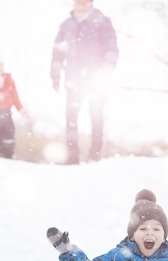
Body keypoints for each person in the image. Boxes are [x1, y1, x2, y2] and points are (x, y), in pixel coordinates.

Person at [50, 0, 118, 164]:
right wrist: (55, 73)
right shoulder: (66, 25)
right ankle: (72, 157)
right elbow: (58, 52)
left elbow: (111, 47)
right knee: (71, 117)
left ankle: (95, 156)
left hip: (96, 79)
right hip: (73, 79)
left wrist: (108, 68)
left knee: (96, 116)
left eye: (84, 2)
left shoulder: (102, 21)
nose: (80, 6)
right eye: (77, 3)